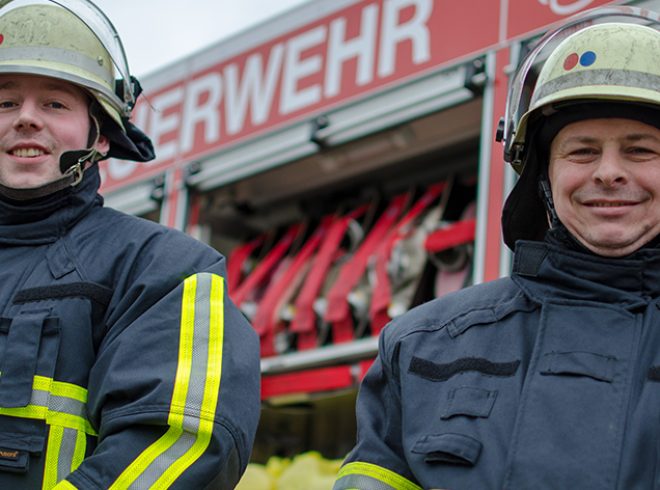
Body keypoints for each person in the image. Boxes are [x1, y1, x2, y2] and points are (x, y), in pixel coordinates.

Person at [334, 6, 660, 490]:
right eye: (582, 150)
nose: (608, 172)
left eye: (640, 150)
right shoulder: (420, 346)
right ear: (541, 176)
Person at [0, 1, 260, 488]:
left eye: (55, 104)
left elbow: (180, 446)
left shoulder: (167, 270)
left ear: (101, 137)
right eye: (5, 103)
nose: (26, 119)